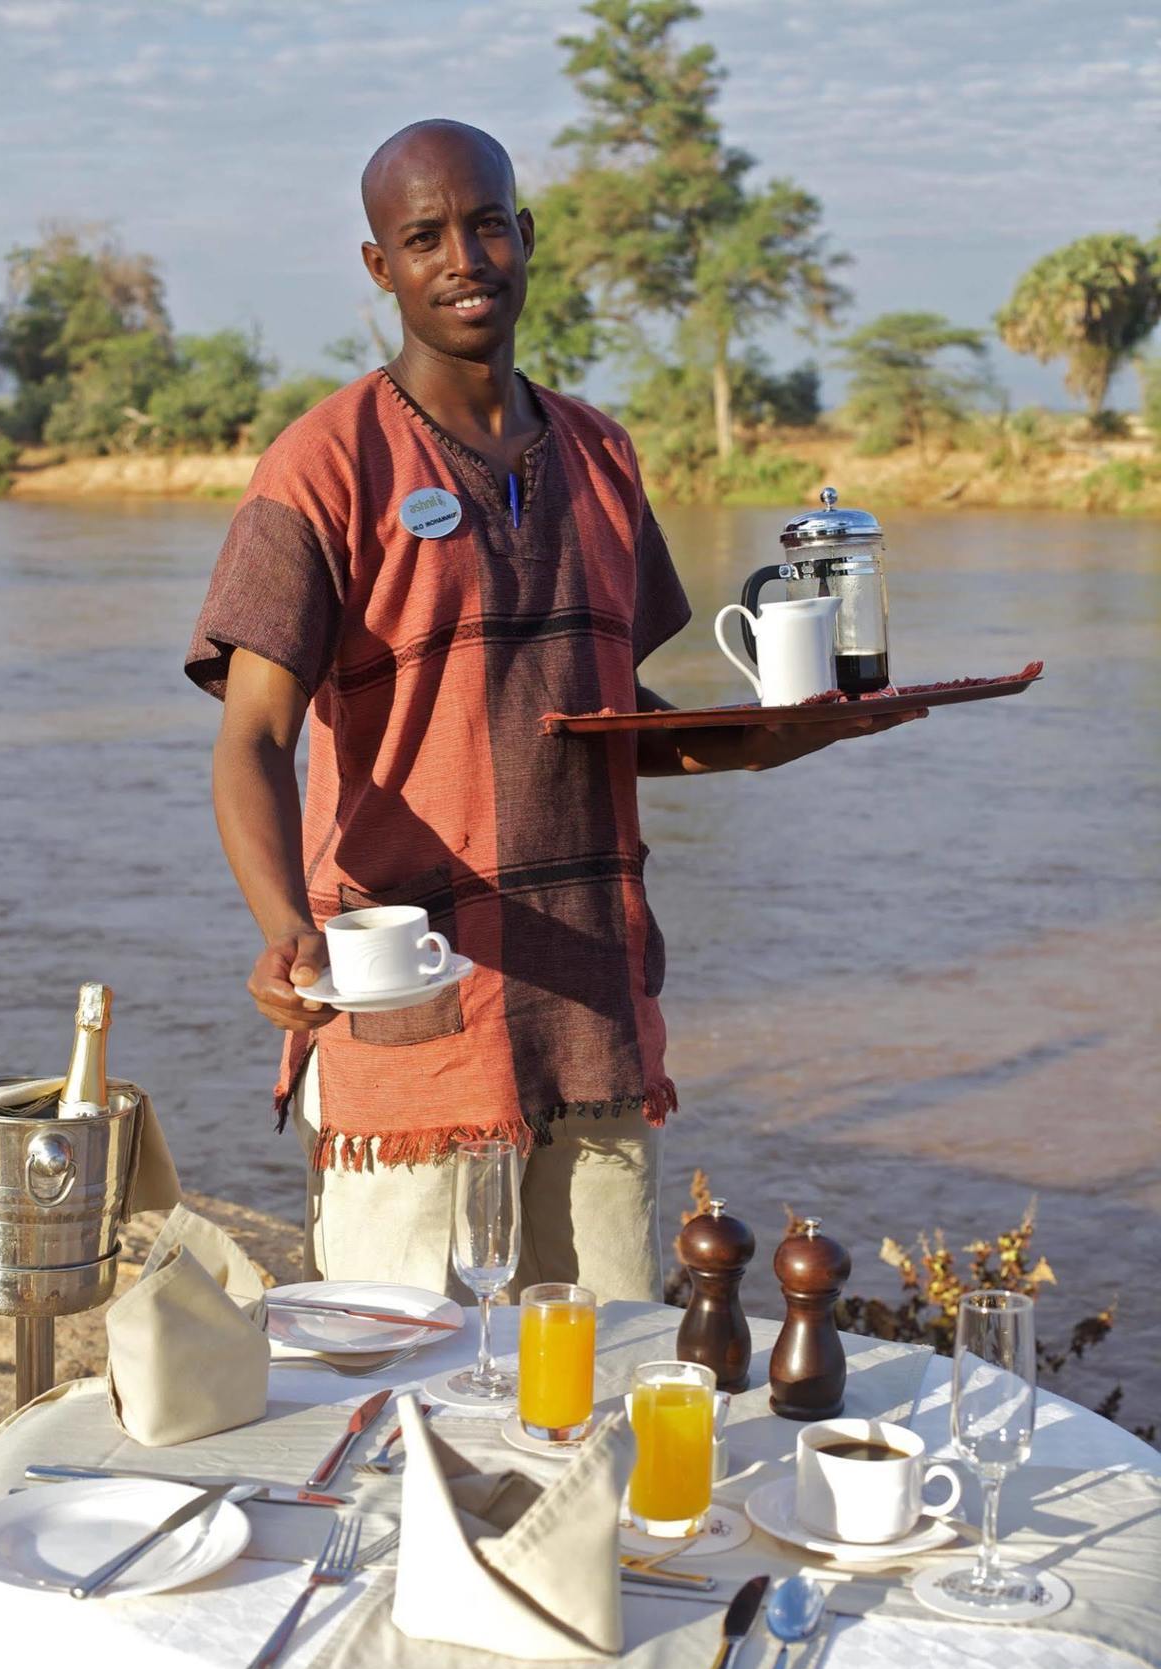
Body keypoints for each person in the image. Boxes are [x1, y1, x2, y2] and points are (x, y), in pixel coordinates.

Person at [185, 118, 920, 1303]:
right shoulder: (322, 466)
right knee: (402, 1389)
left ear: (525, 239)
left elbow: (611, 719)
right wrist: (283, 927)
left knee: (594, 1382)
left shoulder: (600, 454)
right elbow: (255, 737)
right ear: (381, 268)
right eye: (424, 238)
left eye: (485, 224)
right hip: (412, 999)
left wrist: (790, 734)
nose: (462, 257)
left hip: (591, 1010)